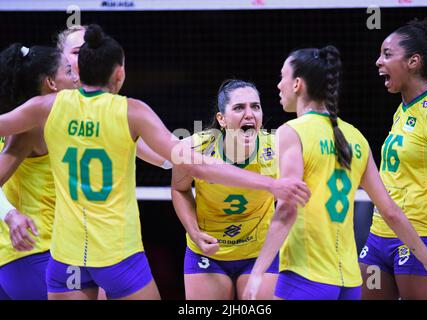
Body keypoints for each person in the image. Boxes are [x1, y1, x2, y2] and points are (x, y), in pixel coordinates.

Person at [0, 24, 309, 300]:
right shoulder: (130, 112)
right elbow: (187, 163)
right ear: (119, 73)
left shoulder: (45, 108)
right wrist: (270, 183)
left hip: (65, 253)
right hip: (115, 253)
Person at [243, 45, 427, 300]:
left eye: (282, 77)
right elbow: (391, 211)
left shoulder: (292, 131)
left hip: (306, 274)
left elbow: (287, 208)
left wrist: (257, 273)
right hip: (349, 282)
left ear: (297, 84)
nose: (278, 85)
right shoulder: (355, 137)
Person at [359, 16, 427, 300]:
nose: (378, 61)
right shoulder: (402, 111)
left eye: (387, 54)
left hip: (424, 235)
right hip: (378, 237)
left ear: (413, 62)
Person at [172, 79, 279, 300]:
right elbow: (179, 190)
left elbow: (291, 200)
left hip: (260, 252)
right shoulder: (195, 148)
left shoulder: (277, 148)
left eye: (255, 106)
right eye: (239, 107)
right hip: (207, 253)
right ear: (221, 119)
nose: (249, 114)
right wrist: (193, 232)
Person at [0, 43, 78, 300]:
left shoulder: (48, 119)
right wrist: (10, 215)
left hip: (20, 257)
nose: (75, 77)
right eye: (68, 70)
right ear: (51, 84)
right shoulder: (32, 126)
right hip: (34, 254)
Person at [56, 24, 171, 169]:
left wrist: (201, 142)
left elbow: (166, 159)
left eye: (89, 49)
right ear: (59, 57)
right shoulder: (46, 108)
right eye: (78, 52)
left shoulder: (115, 111)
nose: (86, 56)